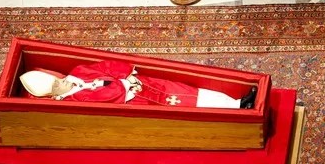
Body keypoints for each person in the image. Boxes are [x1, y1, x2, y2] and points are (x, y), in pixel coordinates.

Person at [20, 60, 258, 109]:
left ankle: (236, 102)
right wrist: (124, 83)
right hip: (139, 101)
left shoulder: (77, 73)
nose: (63, 81)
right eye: (58, 85)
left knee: (188, 91)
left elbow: (105, 67)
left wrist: (126, 73)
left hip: (145, 84)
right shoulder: (75, 101)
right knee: (187, 106)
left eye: (58, 78)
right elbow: (105, 98)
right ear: (54, 95)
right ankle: (237, 112)